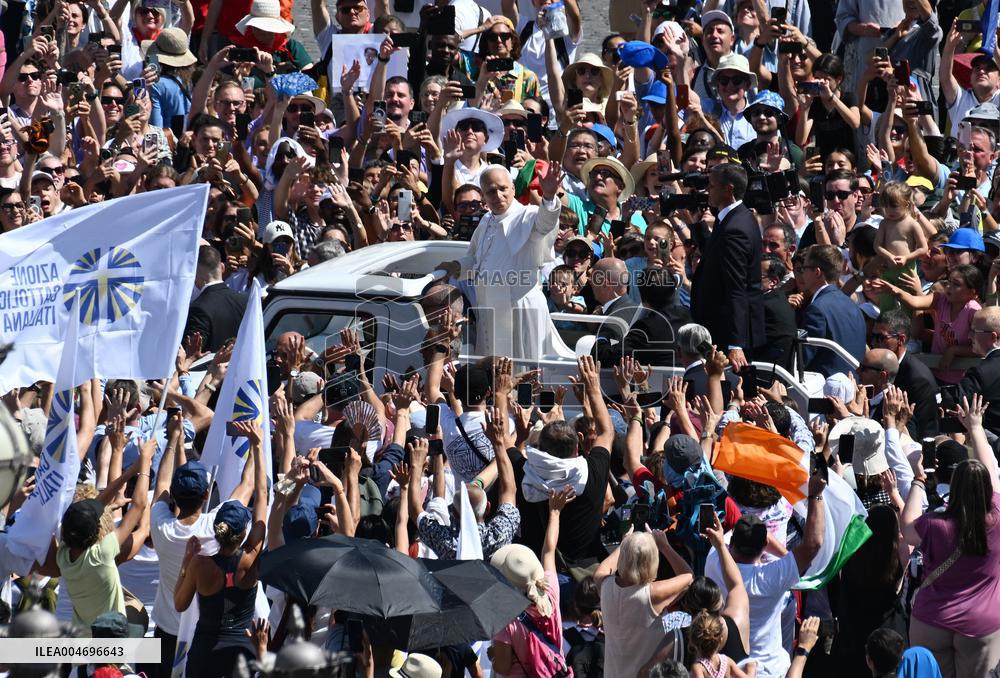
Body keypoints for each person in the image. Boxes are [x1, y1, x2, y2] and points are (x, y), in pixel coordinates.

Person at [902, 394, 1000, 677]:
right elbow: (990, 470)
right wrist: (976, 427)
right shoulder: (997, 515)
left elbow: (907, 528)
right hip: (981, 625)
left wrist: (919, 480)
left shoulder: (934, 524)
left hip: (932, 618)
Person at [703, 471, 826, 678]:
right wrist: (815, 495)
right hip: (771, 670)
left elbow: (729, 539)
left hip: (730, 669)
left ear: (732, 543)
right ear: (763, 548)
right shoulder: (773, 577)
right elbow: (813, 544)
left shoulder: (714, 558)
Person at [437, 162, 563, 360]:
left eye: (503, 188)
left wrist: (548, 197)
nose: (497, 196)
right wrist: (457, 266)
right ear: (484, 196)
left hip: (520, 308)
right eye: (490, 191)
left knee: (522, 372)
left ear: (512, 188)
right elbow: (477, 260)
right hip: (490, 308)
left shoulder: (528, 215)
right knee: (493, 373)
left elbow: (545, 223)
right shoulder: (487, 220)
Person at [174, 421, 268, 678]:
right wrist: (258, 447)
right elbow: (261, 494)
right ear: (244, 533)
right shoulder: (251, 557)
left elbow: (180, 604)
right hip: (242, 654)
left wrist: (185, 564)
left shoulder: (199, 564)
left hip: (204, 654)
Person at [690, 163, 765, 371]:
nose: (708, 190)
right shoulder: (736, 218)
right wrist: (698, 225)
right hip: (722, 326)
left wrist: (735, 344)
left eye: (712, 186)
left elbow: (736, 287)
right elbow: (716, 255)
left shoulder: (735, 228)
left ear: (728, 189)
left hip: (727, 333)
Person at [595, 530, 694, 678]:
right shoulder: (653, 594)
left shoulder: (604, 585)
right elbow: (689, 577)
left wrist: (625, 543)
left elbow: (602, 568)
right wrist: (665, 546)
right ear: (652, 562)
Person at [796, 244, 867, 377]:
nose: (801, 274)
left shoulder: (817, 309)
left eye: (803, 269)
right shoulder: (853, 306)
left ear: (817, 272)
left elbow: (803, 359)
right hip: (853, 387)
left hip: (825, 392)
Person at [184, 245, 250, 351]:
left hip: (210, 367)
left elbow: (191, 355)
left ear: (194, 274)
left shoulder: (198, 309)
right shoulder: (245, 301)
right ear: (222, 268)